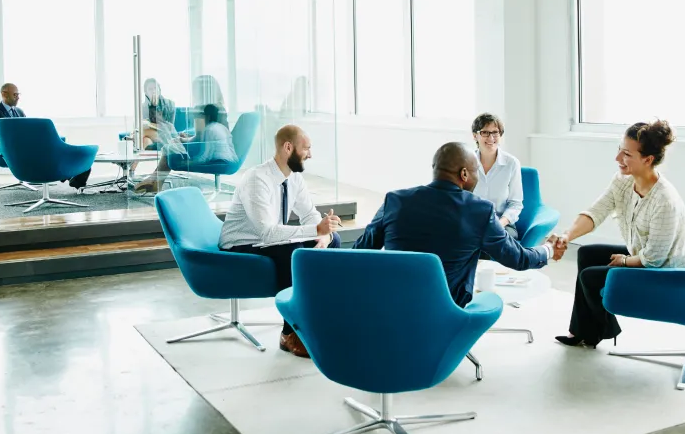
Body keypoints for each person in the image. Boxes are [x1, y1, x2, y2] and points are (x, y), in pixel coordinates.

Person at [549, 120, 685, 349]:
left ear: (647, 160)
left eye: (627, 154)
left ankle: (605, 330)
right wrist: (567, 236)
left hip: (669, 272)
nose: (618, 158)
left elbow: (655, 258)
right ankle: (581, 332)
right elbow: (596, 212)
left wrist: (625, 261)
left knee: (590, 277)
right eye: (619, 149)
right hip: (646, 258)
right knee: (587, 255)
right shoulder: (623, 181)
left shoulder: (665, 201)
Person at [353, 142, 554, 308]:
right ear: (464, 174)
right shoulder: (480, 210)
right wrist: (548, 250)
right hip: (447, 310)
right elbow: (517, 258)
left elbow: (359, 252)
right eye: (476, 172)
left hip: (393, 304)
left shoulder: (395, 200)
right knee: (490, 298)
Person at [219, 125, 343, 357]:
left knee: (333, 241)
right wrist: (315, 228)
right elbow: (266, 232)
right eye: (306, 148)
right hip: (242, 242)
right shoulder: (257, 179)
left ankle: (313, 321)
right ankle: (290, 333)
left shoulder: (294, 178)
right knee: (292, 251)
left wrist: (323, 235)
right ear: (288, 148)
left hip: (270, 241)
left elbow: (310, 214)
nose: (310, 154)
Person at [0, 82, 89, 188]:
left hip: (27, 145)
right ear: (4, 94)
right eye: (15, 95)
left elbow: (27, 130)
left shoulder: (19, 111)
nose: (18, 98)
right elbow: (1, 139)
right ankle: (68, 175)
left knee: (52, 146)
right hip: (16, 150)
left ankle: (70, 173)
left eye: (18, 94)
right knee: (48, 152)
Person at [470, 113, 524, 239]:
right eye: (485, 132)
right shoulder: (466, 161)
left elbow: (515, 204)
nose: (491, 138)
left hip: (502, 223)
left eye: (495, 132)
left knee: (493, 240)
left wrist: (499, 224)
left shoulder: (512, 163)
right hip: (471, 222)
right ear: (475, 136)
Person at [140, 78, 177, 149]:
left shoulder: (170, 104)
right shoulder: (142, 107)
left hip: (166, 133)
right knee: (146, 140)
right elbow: (144, 124)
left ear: (159, 90)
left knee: (142, 133)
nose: (153, 91)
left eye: (155, 88)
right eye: (150, 89)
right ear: (146, 92)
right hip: (150, 135)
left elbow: (169, 126)